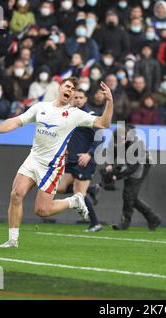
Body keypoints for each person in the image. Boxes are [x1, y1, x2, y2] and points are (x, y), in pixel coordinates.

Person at [0, 77, 114, 248]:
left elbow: (104, 123)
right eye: (68, 86)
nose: (70, 90)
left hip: (52, 166)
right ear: (60, 87)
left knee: (42, 211)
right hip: (33, 158)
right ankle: (13, 240)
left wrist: (109, 102)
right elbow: (16, 121)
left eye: (73, 89)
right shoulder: (40, 107)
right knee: (16, 194)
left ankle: (74, 201)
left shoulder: (75, 114)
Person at [57, 89, 103, 233]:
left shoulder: (90, 116)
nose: (77, 100)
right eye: (75, 97)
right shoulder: (70, 114)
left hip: (85, 161)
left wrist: (89, 154)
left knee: (79, 194)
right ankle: (91, 189)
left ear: (86, 99)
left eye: (80, 97)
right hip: (72, 159)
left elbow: (100, 137)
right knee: (61, 188)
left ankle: (95, 223)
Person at [105, 124, 161, 231]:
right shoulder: (116, 138)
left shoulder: (137, 143)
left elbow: (133, 167)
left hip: (142, 163)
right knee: (131, 196)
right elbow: (111, 153)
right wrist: (109, 165)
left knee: (129, 193)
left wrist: (116, 176)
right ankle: (153, 218)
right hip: (129, 161)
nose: (119, 144)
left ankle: (126, 222)